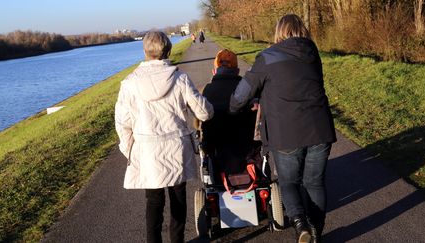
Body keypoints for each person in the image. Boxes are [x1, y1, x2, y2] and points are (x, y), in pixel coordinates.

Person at [230, 14, 336, 243]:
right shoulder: (312, 53)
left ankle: (300, 224)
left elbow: (241, 95)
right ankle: (316, 232)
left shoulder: (267, 58)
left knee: (289, 182)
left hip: (287, 132)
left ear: (279, 32)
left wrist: (236, 107)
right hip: (320, 129)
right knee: (315, 183)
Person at [115, 31, 213, 243]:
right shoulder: (179, 79)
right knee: (178, 198)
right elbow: (203, 112)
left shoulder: (129, 83)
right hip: (176, 147)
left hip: (148, 149)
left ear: (145, 51)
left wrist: (130, 149)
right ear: (167, 50)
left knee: (153, 201)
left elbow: (123, 123)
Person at [199, 49, 256, 181]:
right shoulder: (245, 88)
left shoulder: (208, 89)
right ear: (236, 69)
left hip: (216, 146)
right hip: (244, 145)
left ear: (216, 69)